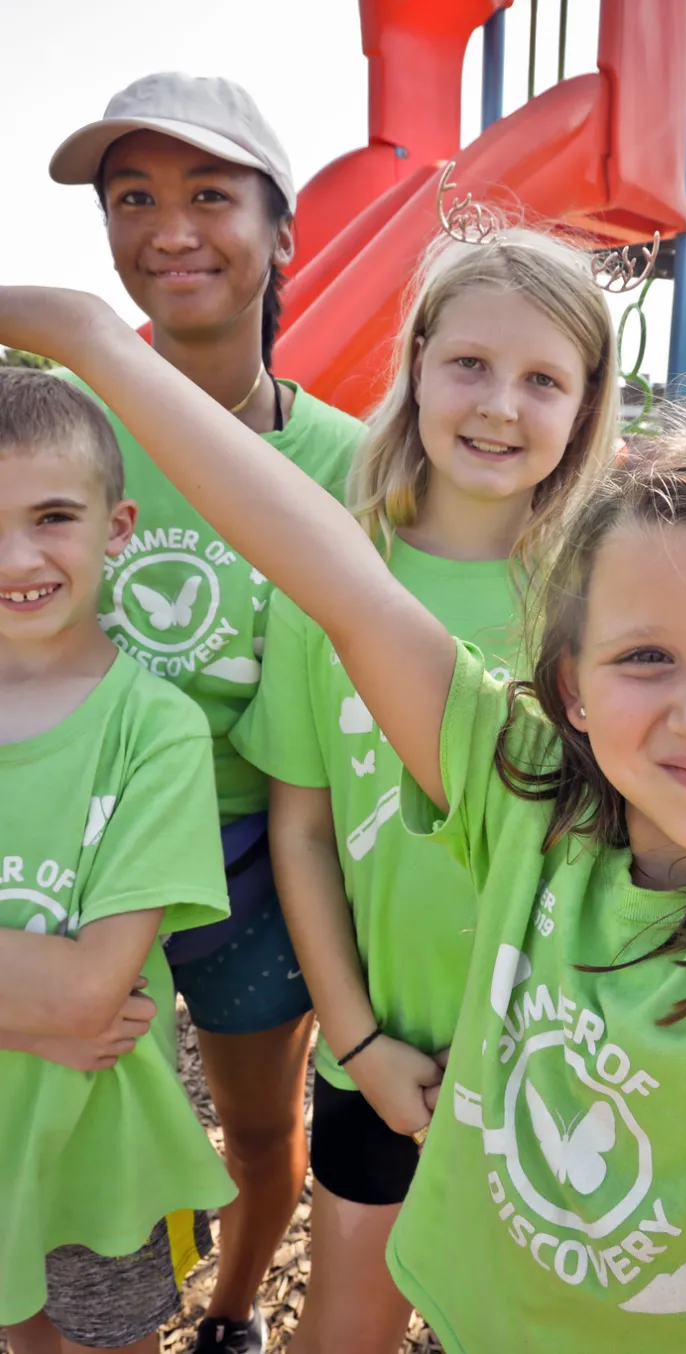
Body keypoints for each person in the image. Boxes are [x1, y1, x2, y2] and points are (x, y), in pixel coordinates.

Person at [8, 261, 686, 1354]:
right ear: (564, 684)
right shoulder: (522, 801)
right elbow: (326, 565)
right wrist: (94, 339)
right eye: (646, 656)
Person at [229, 224, 619, 1352]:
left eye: (541, 378)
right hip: (387, 1056)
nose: (500, 404)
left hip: (570, 1060)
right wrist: (354, 1044)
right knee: (343, 1330)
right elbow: (299, 831)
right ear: (414, 370)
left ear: (584, 405)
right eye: (469, 365)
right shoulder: (332, 580)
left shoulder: (612, 593)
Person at [46, 73, 364, 1352]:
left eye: (208, 194)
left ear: (284, 230)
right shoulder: (67, 428)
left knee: (252, 1122)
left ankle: (228, 1313)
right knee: (65, 1103)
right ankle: (63, 1314)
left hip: (253, 847)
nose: (169, 227)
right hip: (79, 840)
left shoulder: (351, 463)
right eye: (134, 198)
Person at [0, 368, 234, 1354]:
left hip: (100, 1142)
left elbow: (95, 992)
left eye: (54, 514)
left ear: (118, 525)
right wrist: (32, 1017)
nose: (19, 555)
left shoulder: (156, 730)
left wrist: (61, 1011)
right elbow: (58, 1005)